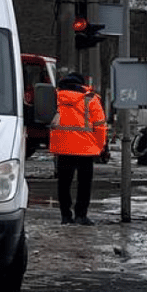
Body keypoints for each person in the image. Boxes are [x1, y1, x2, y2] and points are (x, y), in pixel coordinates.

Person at [50, 73, 108, 225]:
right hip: (86, 149)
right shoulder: (91, 99)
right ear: (82, 84)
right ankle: (81, 215)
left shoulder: (56, 97)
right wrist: (100, 146)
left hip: (63, 147)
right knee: (84, 184)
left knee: (63, 184)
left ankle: (65, 216)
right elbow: (100, 126)